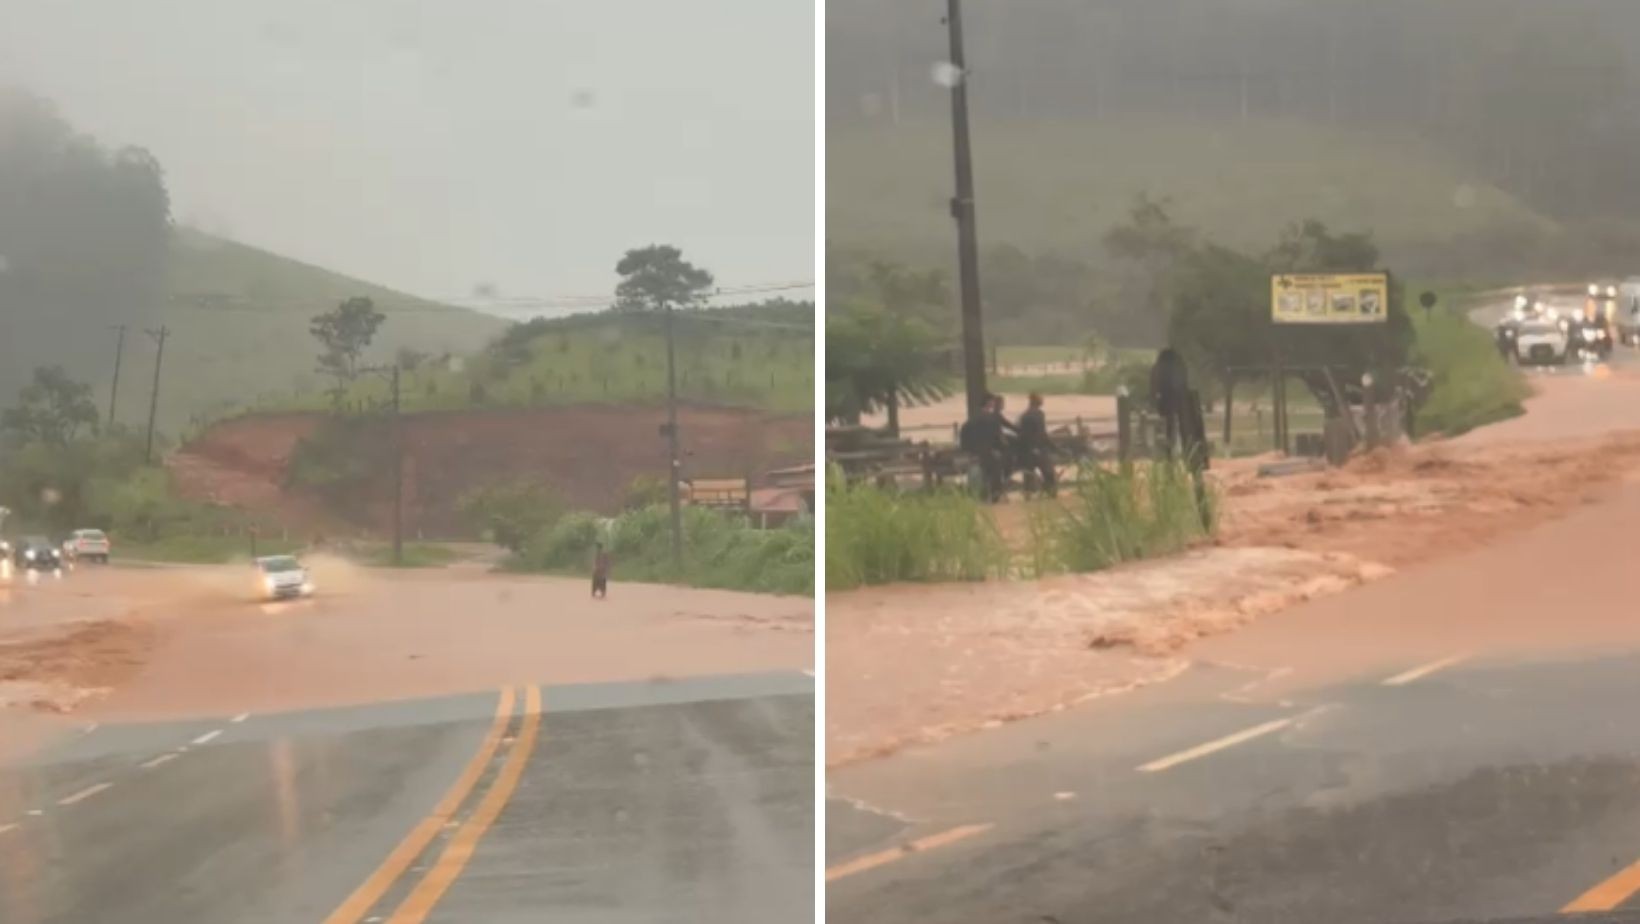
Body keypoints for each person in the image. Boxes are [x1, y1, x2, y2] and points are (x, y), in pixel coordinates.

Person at [1149, 348, 1191, 459]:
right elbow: (1183, 383)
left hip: (1165, 400)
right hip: (1176, 400)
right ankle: (1179, 450)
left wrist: (1154, 400)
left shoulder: (1158, 367)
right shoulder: (1178, 366)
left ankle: (1169, 451)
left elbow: (1154, 386)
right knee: (1177, 426)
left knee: (1169, 425)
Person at [1016, 392, 1057, 497]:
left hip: (1026, 450)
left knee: (1028, 475)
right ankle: (1051, 495)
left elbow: (1022, 434)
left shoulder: (1024, 415)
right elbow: (1042, 433)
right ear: (1037, 402)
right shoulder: (1039, 414)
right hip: (1038, 449)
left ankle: (1027, 495)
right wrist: (1053, 447)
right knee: (1049, 473)